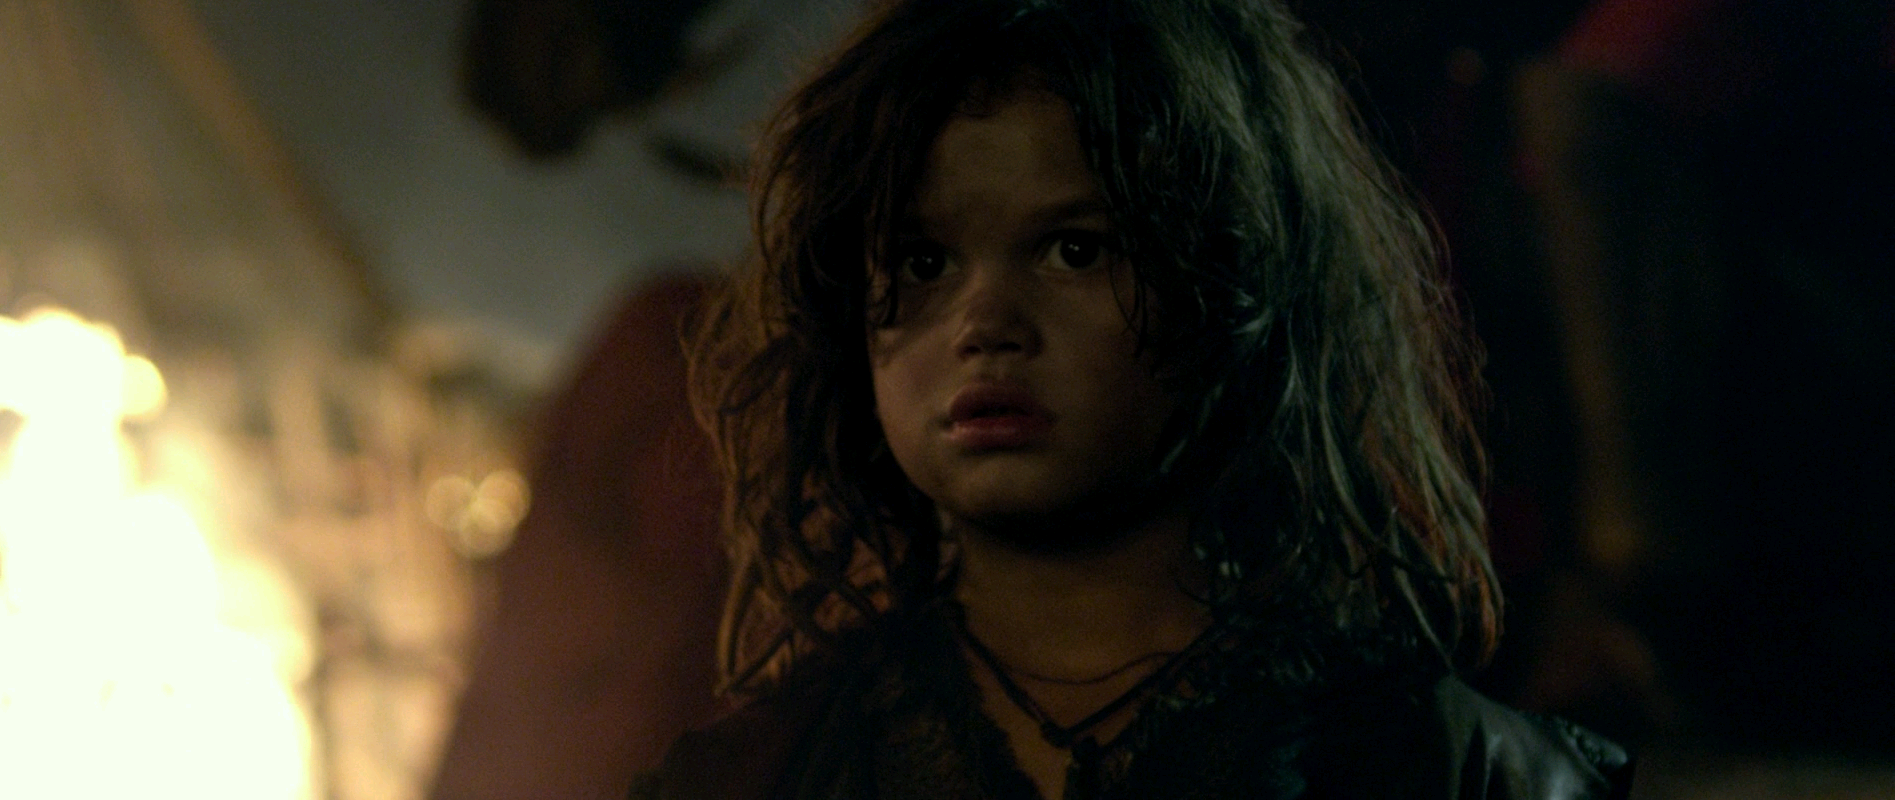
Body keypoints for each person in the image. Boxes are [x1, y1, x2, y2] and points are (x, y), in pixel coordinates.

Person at [636, 0, 1634, 797]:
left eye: (1075, 249)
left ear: (1231, 281)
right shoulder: (750, 777)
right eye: (923, 260)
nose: (985, 323)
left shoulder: (1455, 769)